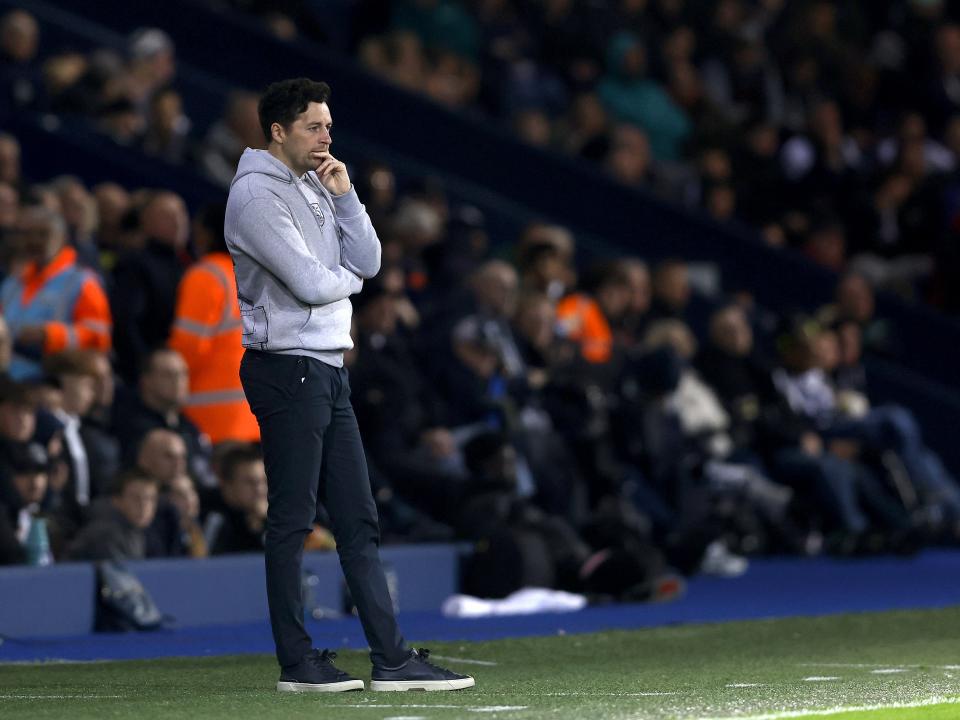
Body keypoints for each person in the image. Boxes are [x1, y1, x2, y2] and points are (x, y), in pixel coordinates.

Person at [227, 77, 473, 693]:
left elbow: (370, 258)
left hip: (325, 367)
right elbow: (314, 284)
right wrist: (350, 279)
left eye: (328, 126)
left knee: (359, 517)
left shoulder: (315, 182)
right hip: (288, 367)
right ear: (279, 131)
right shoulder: (256, 197)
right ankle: (297, 662)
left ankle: (391, 658)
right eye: (314, 126)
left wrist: (346, 196)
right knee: (291, 518)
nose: (327, 137)